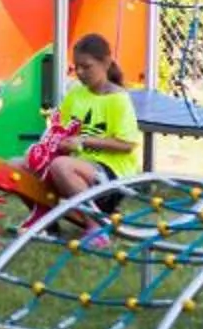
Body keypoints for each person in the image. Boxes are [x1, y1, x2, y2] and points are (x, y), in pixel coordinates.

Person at [37, 33, 137, 203]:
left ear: (106, 63)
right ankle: (45, 217)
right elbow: (61, 129)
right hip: (78, 164)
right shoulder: (75, 94)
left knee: (61, 166)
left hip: (112, 173)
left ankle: (92, 218)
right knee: (20, 165)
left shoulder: (118, 99)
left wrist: (83, 141)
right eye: (76, 67)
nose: (80, 72)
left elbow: (127, 145)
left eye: (86, 67)